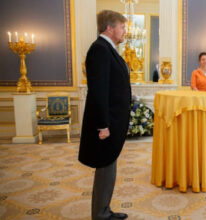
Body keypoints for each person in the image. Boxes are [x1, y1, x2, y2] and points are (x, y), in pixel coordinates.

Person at [78, 10, 131, 220]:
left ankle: (104, 210)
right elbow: (98, 91)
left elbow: (112, 85)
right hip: (106, 124)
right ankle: (100, 214)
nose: (125, 31)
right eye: (122, 27)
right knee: (105, 169)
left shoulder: (108, 49)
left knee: (109, 167)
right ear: (109, 28)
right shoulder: (100, 50)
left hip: (113, 121)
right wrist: (103, 125)